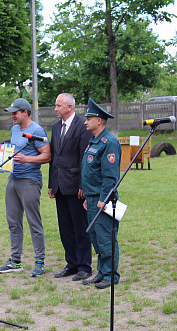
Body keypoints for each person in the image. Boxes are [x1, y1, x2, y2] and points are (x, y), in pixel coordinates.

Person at [0, 98, 51, 277]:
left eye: (15, 113)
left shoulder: (37, 130)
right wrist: (1, 162)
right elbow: (12, 153)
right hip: (13, 180)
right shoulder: (14, 130)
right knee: (13, 222)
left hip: (30, 180)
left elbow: (47, 156)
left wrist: (27, 159)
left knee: (34, 222)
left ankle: (39, 261)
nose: (12, 116)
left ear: (25, 112)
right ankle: (15, 260)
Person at [48, 93, 92, 281]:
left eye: (58, 106)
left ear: (69, 107)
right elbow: (53, 156)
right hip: (59, 185)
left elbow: (85, 157)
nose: (55, 109)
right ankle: (71, 263)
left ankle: (84, 266)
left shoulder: (83, 126)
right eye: (56, 106)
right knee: (65, 227)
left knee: (80, 227)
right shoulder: (56, 126)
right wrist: (52, 182)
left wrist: (83, 184)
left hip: (75, 185)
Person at [81, 98, 121, 289]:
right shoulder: (94, 141)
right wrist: (89, 197)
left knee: (106, 237)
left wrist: (102, 200)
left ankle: (111, 274)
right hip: (92, 198)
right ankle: (102, 272)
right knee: (96, 237)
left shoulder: (109, 142)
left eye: (89, 118)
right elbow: (90, 171)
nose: (85, 121)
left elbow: (110, 177)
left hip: (104, 199)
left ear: (99, 121)